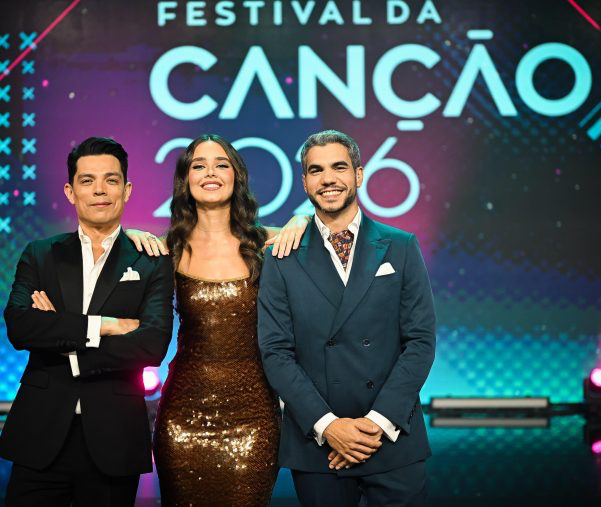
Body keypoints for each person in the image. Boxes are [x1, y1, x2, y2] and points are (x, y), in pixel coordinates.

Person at [257, 130, 437, 506]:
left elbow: (420, 342)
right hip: (318, 445)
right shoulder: (281, 257)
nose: (328, 179)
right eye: (316, 170)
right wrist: (329, 426)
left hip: (392, 438)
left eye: (339, 167)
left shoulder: (401, 246)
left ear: (359, 174)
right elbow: (275, 352)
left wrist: (376, 423)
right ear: (304, 181)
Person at [0, 137, 174, 506]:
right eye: (87, 180)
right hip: (39, 431)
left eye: (111, 180)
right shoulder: (41, 254)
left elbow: (151, 344)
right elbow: (20, 326)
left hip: (114, 435)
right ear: (70, 191)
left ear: (126, 190)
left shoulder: (151, 259)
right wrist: (104, 325)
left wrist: (61, 332)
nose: (99, 190)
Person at [153, 134, 305, 506]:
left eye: (221, 164)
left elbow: (331, 237)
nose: (211, 172)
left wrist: (304, 219)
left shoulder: (269, 243)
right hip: (181, 418)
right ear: (186, 179)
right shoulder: (166, 248)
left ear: (236, 176)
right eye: (199, 165)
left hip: (253, 419)